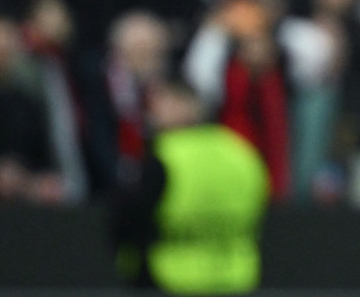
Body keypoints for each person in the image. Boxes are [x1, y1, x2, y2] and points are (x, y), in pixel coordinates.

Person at [113, 78, 270, 294]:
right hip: (237, 275)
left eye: (159, 103)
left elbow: (129, 221)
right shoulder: (241, 152)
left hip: (171, 277)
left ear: (184, 106)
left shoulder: (165, 156)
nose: (151, 112)